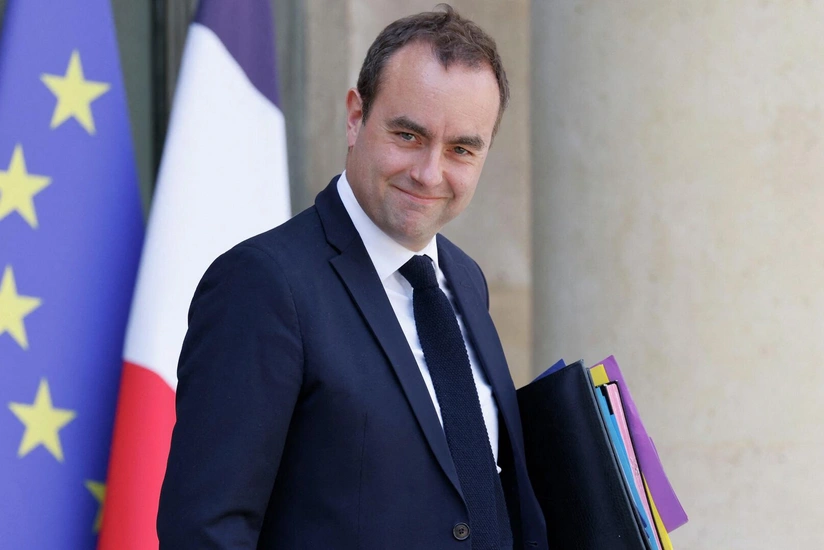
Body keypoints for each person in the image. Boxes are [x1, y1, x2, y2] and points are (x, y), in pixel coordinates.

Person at [157, 5, 547, 549]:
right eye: (408, 135)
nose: (429, 173)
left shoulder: (464, 279)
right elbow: (205, 531)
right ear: (355, 117)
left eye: (461, 149)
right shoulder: (262, 284)